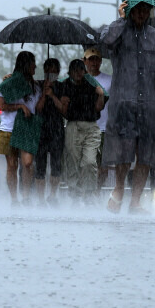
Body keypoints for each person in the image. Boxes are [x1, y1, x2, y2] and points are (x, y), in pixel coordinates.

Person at [100, 0, 155, 214]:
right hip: (123, 103)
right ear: (130, 8)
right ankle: (119, 191)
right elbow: (105, 43)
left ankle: (135, 200)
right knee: (123, 151)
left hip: (150, 106)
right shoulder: (117, 32)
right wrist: (120, 20)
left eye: (147, 9)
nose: (142, 13)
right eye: (138, 9)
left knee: (146, 153)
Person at [0, 51, 44, 207]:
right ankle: (14, 199)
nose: (35, 67)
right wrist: (20, 106)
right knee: (11, 165)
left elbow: (37, 108)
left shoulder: (36, 86)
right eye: (32, 64)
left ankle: (26, 196)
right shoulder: (9, 83)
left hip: (27, 128)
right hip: (9, 128)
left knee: (28, 163)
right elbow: (1, 105)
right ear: (25, 65)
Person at [60, 59, 108, 205]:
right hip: (73, 125)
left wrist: (100, 95)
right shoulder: (65, 85)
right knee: (73, 160)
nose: (78, 73)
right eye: (75, 70)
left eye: (81, 70)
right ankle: (74, 192)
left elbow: (99, 108)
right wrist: (63, 103)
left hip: (91, 126)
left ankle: (88, 192)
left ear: (84, 71)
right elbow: (63, 111)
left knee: (89, 161)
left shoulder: (92, 84)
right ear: (70, 72)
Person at [34, 58, 66, 207]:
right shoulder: (37, 85)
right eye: (48, 72)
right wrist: (43, 94)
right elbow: (37, 109)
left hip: (57, 130)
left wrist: (52, 95)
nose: (51, 75)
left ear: (58, 73)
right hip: (40, 129)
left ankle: (53, 195)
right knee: (40, 165)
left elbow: (64, 110)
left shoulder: (62, 87)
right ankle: (40, 199)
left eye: (54, 72)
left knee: (56, 164)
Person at [83, 47, 113, 195]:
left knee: (103, 167)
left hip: (104, 128)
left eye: (97, 59)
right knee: (88, 163)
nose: (94, 63)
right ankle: (86, 190)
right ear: (85, 61)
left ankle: (96, 191)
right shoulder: (80, 79)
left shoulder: (109, 80)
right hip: (85, 128)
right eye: (91, 59)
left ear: (101, 61)